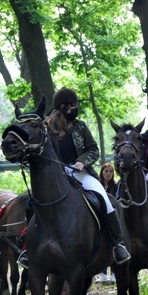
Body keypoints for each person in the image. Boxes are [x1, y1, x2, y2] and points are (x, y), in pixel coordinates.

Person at [47, 87, 130, 264]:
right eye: (73, 106)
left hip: (80, 172)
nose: (76, 109)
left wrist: (82, 161)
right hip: (56, 175)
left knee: (103, 198)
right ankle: (26, 248)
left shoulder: (80, 126)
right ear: (62, 107)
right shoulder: (47, 129)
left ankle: (118, 243)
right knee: (32, 200)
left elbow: (93, 149)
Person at [96, 162, 119, 283]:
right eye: (106, 171)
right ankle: (103, 273)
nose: (108, 174)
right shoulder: (96, 185)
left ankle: (114, 273)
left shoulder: (116, 186)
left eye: (110, 171)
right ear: (102, 172)